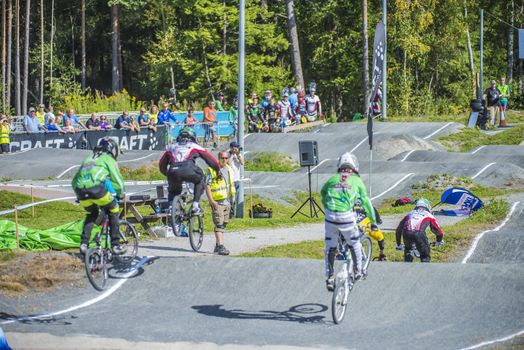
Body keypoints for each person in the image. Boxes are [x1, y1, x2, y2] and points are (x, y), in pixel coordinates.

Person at [321, 152, 378, 291]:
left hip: (329, 216)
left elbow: (323, 194)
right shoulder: (357, 181)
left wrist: (328, 208)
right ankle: (358, 271)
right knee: (355, 244)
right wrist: (373, 221)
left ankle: (329, 276)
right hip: (346, 216)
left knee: (330, 246)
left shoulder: (332, 179)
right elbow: (366, 203)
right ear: (355, 167)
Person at [72, 138, 126, 255]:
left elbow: (75, 180)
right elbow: (118, 180)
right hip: (96, 189)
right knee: (114, 209)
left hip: (80, 190)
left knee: (92, 214)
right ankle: (116, 245)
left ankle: (84, 243)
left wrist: (79, 194)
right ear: (113, 149)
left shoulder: (88, 158)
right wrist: (120, 194)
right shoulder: (108, 159)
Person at [159, 127, 220, 214]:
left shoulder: (171, 147)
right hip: (189, 169)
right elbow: (210, 160)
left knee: (174, 190)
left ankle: (172, 207)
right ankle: (195, 205)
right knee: (200, 179)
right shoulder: (194, 146)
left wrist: (168, 175)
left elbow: (161, 165)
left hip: (173, 170)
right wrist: (217, 170)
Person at [204, 150, 235, 255]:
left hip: (227, 202)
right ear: (219, 158)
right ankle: (221, 246)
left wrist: (232, 201)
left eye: (226, 158)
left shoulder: (228, 169)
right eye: (222, 158)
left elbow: (230, 185)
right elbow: (207, 185)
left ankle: (217, 245)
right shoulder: (212, 170)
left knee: (224, 224)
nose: (224, 160)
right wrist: (211, 201)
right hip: (217, 202)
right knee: (219, 225)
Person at [395, 198, 444, 263]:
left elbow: (399, 230)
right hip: (419, 234)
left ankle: (407, 266)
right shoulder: (429, 215)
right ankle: (424, 269)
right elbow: (438, 232)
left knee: (408, 250)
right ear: (427, 206)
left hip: (406, 233)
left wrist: (399, 245)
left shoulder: (410, 213)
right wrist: (439, 241)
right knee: (425, 256)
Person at [228, 141, 244, 217]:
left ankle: (232, 213)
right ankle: (229, 213)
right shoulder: (228, 154)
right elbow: (228, 163)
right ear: (231, 148)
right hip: (229, 179)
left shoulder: (238, 154)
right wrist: (232, 154)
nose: (236, 149)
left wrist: (238, 155)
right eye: (235, 148)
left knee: (234, 198)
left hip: (236, 179)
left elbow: (242, 163)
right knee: (230, 197)